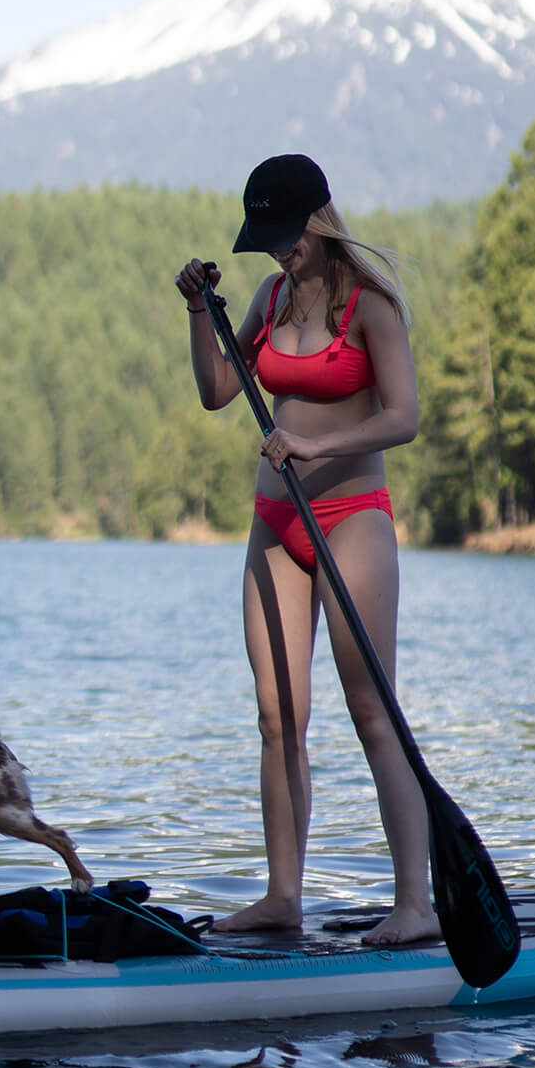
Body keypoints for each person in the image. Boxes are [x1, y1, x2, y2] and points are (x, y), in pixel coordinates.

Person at [173, 153, 436, 946]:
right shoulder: (271, 296)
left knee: (372, 713)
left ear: (319, 224)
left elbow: (403, 416)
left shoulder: (372, 305)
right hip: (275, 522)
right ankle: (282, 895)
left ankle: (414, 904)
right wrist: (197, 313)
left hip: (353, 517)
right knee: (277, 715)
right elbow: (219, 390)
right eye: (268, 240)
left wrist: (319, 450)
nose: (278, 251)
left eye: (287, 236)